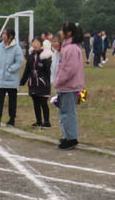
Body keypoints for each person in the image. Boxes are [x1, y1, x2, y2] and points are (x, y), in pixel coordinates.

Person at [53, 22, 85, 150]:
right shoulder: (67, 47)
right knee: (63, 112)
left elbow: (69, 69)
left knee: (68, 112)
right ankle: (67, 135)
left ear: (69, 33)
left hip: (69, 86)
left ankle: (72, 138)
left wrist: (58, 81)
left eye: (62, 30)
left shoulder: (71, 48)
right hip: (66, 86)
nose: (60, 32)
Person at [0, 28, 24, 127]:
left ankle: (11, 119)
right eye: (3, 33)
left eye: (5, 34)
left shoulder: (16, 48)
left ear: (11, 36)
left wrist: (10, 70)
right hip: (0, 79)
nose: (3, 35)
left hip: (11, 80)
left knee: (12, 101)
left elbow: (19, 62)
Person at [19, 37, 52, 128]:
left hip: (43, 83)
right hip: (33, 83)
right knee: (36, 103)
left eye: (37, 42)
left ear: (41, 44)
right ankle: (38, 121)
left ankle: (47, 122)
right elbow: (27, 70)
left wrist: (49, 82)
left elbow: (49, 70)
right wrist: (22, 82)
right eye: (33, 43)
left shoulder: (45, 55)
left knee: (43, 102)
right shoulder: (30, 56)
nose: (35, 44)